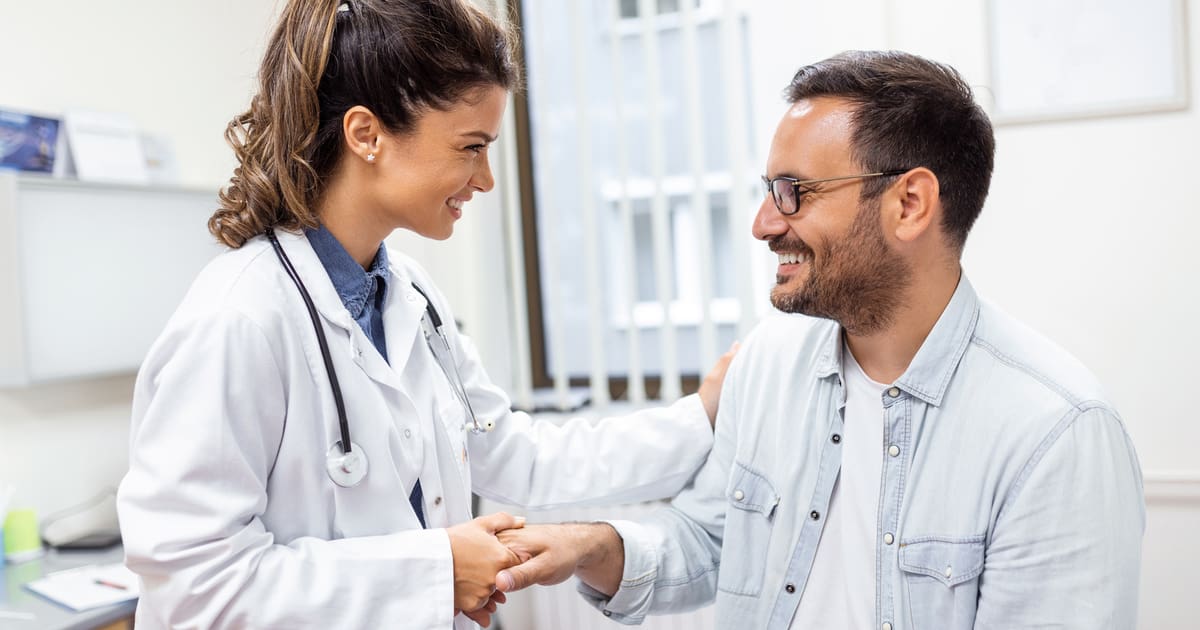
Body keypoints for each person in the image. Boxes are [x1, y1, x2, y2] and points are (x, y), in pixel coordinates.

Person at [115, 1, 735, 628]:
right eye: (471, 147)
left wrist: (700, 416)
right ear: (367, 135)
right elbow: (198, 593)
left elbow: (515, 456)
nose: (486, 179)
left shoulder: (410, 294)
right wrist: (437, 569)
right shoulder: (238, 319)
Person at [493, 50, 1146, 629]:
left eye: (793, 192)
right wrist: (590, 546)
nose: (762, 224)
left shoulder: (1056, 433)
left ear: (910, 204)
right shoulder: (768, 366)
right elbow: (707, 542)